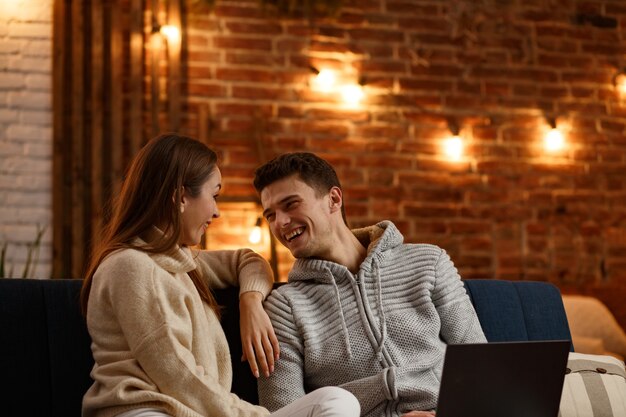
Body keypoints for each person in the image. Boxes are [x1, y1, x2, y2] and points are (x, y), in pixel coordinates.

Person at [80, 134, 360, 417]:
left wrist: (250, 302)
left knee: (337, 401)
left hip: (201, 411)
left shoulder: (179, 261)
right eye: (214, 196)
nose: (216, 212)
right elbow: (177, 376)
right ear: (180, 197)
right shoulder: (130, 266)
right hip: (147, 411)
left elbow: (248, 260)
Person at [253, 152, 487, 417]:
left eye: (291, 204)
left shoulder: (427, 262)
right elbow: (284, 409)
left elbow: (480, 363)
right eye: (270, 215)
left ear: (333, 199)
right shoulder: (286, 306)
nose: (280, 223)